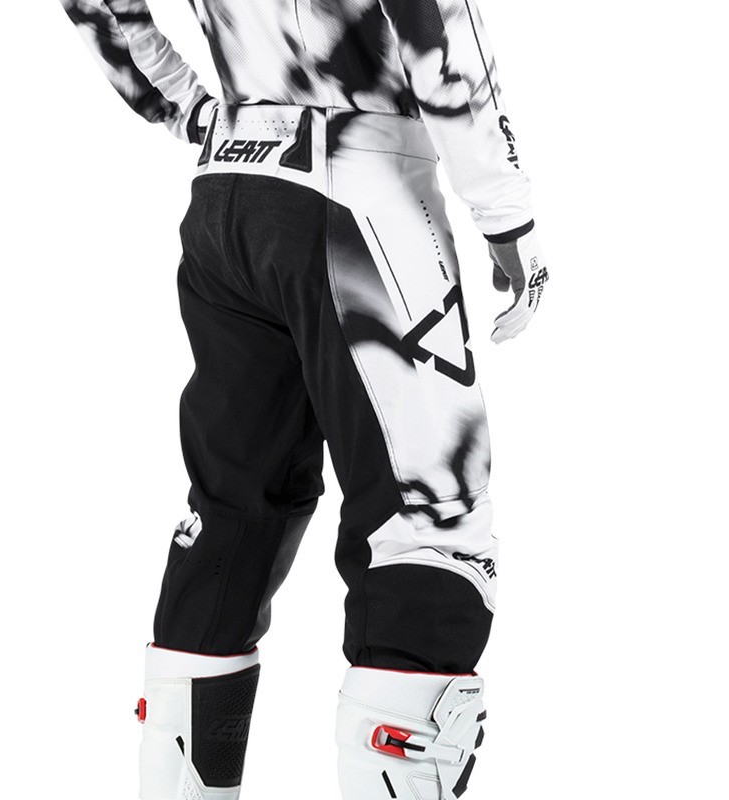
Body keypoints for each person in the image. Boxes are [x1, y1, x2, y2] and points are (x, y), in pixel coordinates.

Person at [60, 1, 550, 798]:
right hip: (362, 192)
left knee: (231, 516)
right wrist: (505, 209)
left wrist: (189, 109)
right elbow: (435, 21)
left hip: (229, 188)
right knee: (428, 526)